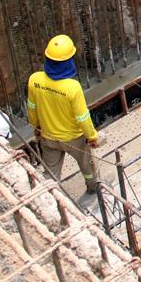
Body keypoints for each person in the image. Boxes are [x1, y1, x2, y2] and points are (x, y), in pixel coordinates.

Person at [26, 34, 101, 196]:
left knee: (51, 175)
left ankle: (52, 199)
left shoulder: (34, 80)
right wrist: (92, 136)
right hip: (75, 139)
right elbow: (82, 117)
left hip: (48, 137)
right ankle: (93, 187)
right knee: (87, 167)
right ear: (69, 61)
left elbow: (32, 109)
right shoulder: (72, 87)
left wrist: (36, 127)